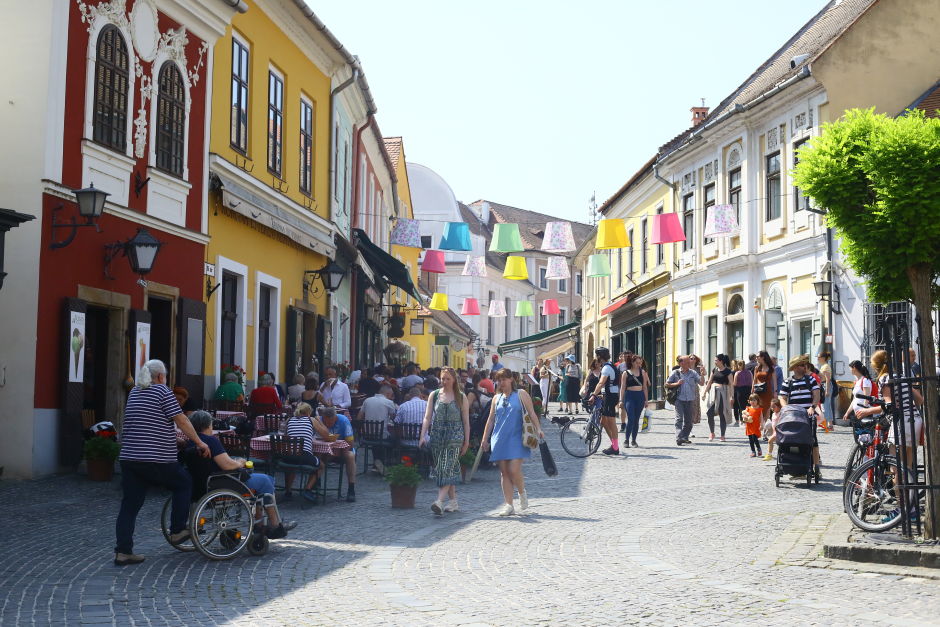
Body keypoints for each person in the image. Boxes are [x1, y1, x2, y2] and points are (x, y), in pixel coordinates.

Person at [114, 360, 210, 566]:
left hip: (130, 458)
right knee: (183, 483)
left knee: (129, 505)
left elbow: (147, 423)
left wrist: (175, 440)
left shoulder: (135, 393)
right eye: (165, 376)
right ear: (160, 377)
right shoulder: (162, 392)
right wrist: (199, 442)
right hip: (155, 458)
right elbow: (182, 420)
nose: (165, 379)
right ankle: (177, 530)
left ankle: (123, 551)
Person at [186, 410, 296, 538]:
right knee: (266, 480)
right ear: (208, 425)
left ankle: (260, 524)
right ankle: (275, 525)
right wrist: (240, 462)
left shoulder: (191, 442)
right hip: (222, 483)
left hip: (202, 484)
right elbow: (227, 465)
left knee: (261, 481)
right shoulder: (210, 441)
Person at [481, 368, 544, 516]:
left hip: (517, 438)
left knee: (514, 470)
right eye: (499, 380)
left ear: (511, 380)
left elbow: (532, 413)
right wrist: (485, 439)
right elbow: (490, 420)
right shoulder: (496, 398)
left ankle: (522, 492)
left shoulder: (521, 394)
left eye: (504, 379)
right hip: (499, 438)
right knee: (504, 473)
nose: (501, 383)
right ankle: (509, 504)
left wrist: (539, 429)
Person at [420, 367, 470, 515]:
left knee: (447, 467)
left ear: (454, 380)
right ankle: (453, 502)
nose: (445, 381)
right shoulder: (434, 395)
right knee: (443, 468)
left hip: (455, 436)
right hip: (437, 436)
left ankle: (439, 501)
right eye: (443, 378)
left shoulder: (461, 397)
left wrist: (466, 442)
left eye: (448, 378)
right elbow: (427, 417)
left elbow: (466, 421)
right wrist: (422, 436)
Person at [778, 354, 822, 468]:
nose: (805, 367)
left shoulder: (811, 379)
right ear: (796, 367)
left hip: (808, 415)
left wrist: (812, 406)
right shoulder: (787, 381)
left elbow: (816, 394)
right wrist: (786, 408)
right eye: (802, 365)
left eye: (805, 365)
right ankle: (795, 465)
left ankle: (816, 466)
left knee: (813, 441)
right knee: (791, 440)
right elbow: (782, 397)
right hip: (792, 416)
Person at [311, 406, 358, 502]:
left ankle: (351, 489)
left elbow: (351, 444)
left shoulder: (343, 421)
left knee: (350, 456)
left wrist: (338, 450)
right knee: (316, 454)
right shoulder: (319, 420)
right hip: (324, 451)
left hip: (342, 451)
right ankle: (314, 483)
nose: (328, 425)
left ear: (335, 418)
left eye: (330, 422)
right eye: (326, 422)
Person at [283, 403, 324, 504]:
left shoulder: (289, 420)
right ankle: (308, 489)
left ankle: (288, 491)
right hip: (304, 456)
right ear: (309, 412)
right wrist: (320, 421)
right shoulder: (311, 420)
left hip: (288, 456)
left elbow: (285, 435)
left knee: (291, 466)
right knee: (321, 465)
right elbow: (326, 435)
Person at [589, 347, 622, 456]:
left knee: (611, 421)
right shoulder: (610, 365)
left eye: (596, 355)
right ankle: (613, 444)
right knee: (603, 421)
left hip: (610, 396)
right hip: (608, 395)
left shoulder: (606, 368)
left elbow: (601, 382)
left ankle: (615, 447)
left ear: (599, 356)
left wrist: (593, 394)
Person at [665, 355, 702, 446]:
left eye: (689, 362)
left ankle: (685, 437)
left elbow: (701, 382)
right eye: (687, 362)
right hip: (679, 399)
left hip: (690, 399)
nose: (689, 363)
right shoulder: (675, 373)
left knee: (689, 421)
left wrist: (703, 374)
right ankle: (679, 438)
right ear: (681, 363)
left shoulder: (693, 373)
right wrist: (676, 383)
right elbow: (667, 384)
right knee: (679, 419)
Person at [619, 354, 649, 448]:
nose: (639, 364)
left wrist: (646, 400)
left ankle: (634, 440)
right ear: (632, 362)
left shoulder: (642, 372)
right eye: (637, 363)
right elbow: (623, 387)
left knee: (636, 419)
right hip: (629, 396)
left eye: (640, 363)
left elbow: (644, 387)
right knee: (631, 418)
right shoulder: (626, 373)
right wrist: (621, 400)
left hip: (639, 396)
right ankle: (626, 439)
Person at [702, 354, 733, 442]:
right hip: (713, 394)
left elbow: (731, 385)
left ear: (721, 361)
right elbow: (709, 382)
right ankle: (712, 433)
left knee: (722, 413)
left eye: (716, 360)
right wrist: (704, 392)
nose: (714, 362)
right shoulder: (714, 370)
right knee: (709, 413)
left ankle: (722, 435)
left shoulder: (728, 371)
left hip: (723, 393)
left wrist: (732, 396)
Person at [752, 351, 776, 426]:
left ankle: (765, 433)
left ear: (763, 357)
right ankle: (757, 429)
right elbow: (754, 380)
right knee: (757, 411)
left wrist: (775, 392)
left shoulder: (771, 368)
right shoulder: (757, 368)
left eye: (757, 356)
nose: (756, 358)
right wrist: (752, 391)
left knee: (767, 412)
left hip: (767, 392)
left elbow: (774, 381)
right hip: (758, 392)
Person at [732, 359, 753, 427]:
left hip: (740, 390)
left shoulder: (737, 373)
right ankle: (748, 420)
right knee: (748, 405)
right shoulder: (749, 372)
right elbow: (752, 381)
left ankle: (742, 420)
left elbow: (735, 383)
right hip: (748, 390)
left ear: (739, 365)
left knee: (741, 406)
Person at [742, 393, 764, 458]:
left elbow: (761, 418)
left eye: (754, 400)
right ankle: (753, 451)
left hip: (756, 426)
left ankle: (758, 448)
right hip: (749, 426)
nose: (753, 402)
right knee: (750, 440)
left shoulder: (759, 409)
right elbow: (744, 415)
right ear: (749, 401)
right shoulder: (748, 408)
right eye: (751, 400)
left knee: (755, 438)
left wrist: (762, 425)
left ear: (757, 401)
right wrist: (744, 418)